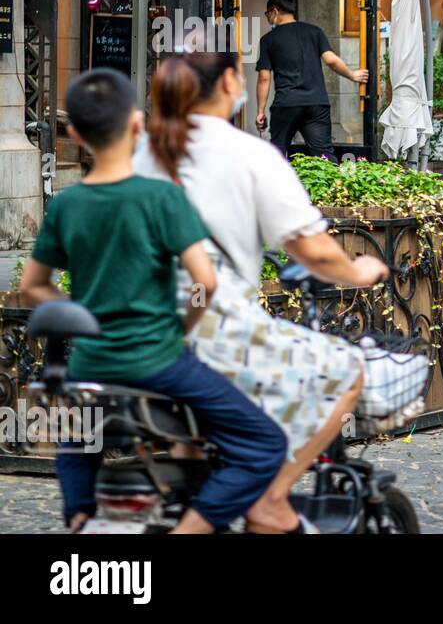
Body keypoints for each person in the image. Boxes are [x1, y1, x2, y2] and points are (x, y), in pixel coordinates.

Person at [135, 50, 400, 534]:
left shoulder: (144, 154)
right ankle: (273, 499)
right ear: (232, 83)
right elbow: (313, 251)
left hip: (145, 326)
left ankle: (195, 489)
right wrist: (358, 271)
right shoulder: (248, 154)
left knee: (200, 426)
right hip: (210, 323)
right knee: (347, 371)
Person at [20, 68, 289, 534]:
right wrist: (184, 324)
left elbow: (33, 286)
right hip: (159, 360)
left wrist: (81, 313)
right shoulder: (162, 197)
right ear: (138, 124)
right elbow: (205, 281)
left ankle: (80, 516)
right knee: (265, 443)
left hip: (91, 363)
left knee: (78, 437)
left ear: (76, 134)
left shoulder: (66, 206)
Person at [255, 0, 369, 160]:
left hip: (287, 103)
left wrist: (260, 111)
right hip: (317, 104)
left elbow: (264, 78)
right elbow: (330, 60)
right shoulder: (314, 32)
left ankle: (277, 185)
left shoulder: (268, 40)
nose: (268, 18)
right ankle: (335, 185)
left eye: (267, 14)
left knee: (277, 154)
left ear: (275, 11)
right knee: (323, 154)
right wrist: (353, 75)